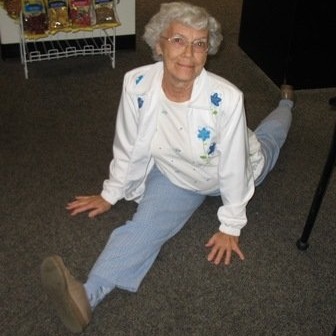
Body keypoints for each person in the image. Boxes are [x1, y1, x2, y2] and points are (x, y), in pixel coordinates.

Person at [41, 2, 295, 333]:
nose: (189, 53)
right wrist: (112, 192)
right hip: (177, 175)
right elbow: (128, 143)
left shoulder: (226, 98)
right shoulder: (137, 85)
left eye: (200, 43)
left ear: (208, 50)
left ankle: (287, 104)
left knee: (269, 140)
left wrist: (231, 224)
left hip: (237, 165)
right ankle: (87, 296)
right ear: (159, 43)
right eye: (178, 40)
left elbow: (234, 164)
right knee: (143, 226)